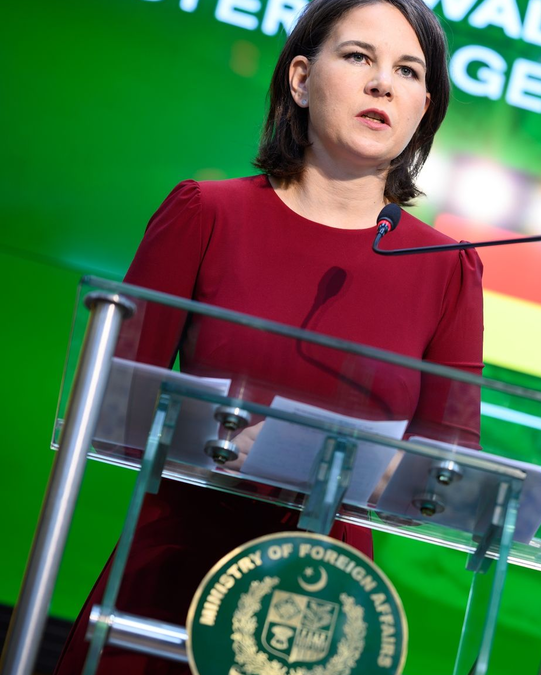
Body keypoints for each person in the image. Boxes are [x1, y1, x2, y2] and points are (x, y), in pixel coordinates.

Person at [54, 1, 481, 672]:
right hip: (172, 580)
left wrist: (395, 472)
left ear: (425, 106)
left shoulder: (447, 269)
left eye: (407, 70)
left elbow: (450, 468)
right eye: (359, 57)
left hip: (324, 614)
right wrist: (217, 437)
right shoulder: (207, 212)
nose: (382, 84)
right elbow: (109, 407)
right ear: (301, 79)